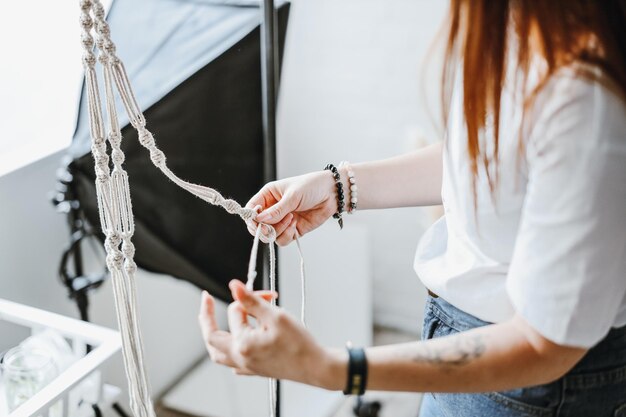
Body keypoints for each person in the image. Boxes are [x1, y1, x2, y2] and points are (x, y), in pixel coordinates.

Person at [198, 1, 626, 415]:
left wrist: (328, 369)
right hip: (467, 351)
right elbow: (489, 158)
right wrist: (338, 188)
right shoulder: (519, 31)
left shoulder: (586, 101)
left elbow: (544, 344)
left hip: (532, 388)